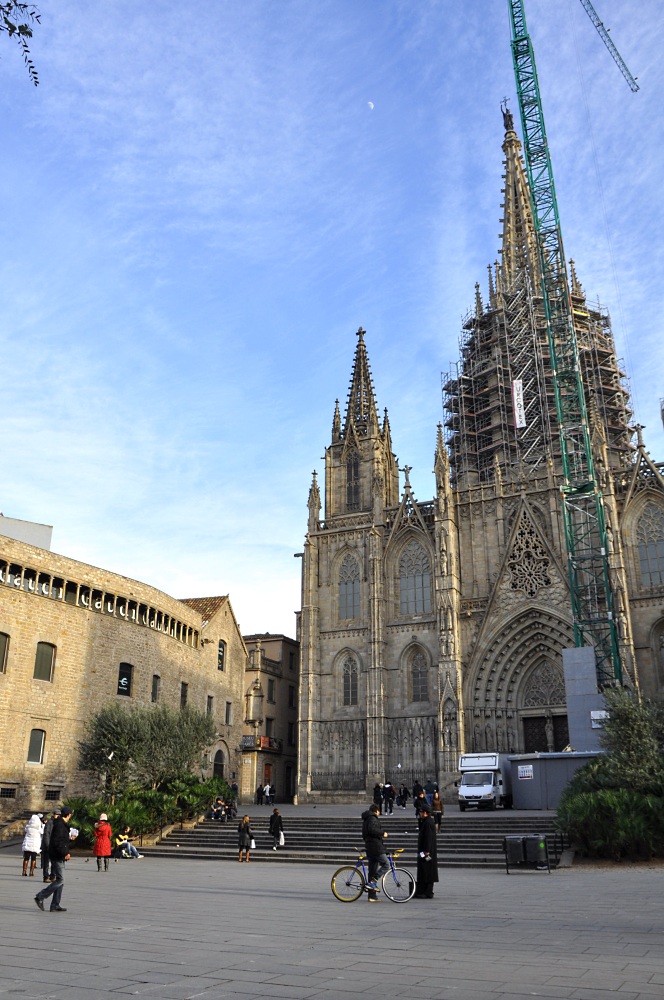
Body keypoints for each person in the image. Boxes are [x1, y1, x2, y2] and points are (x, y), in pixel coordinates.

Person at [34, 805, 73, 912]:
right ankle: (40, 896)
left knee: (60, 880)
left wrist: (70, 839)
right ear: (68, 815)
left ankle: (55, 904)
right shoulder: (60, 825)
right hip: (57, 855)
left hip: (58, 854)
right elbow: (57, 842)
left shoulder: (61, 824)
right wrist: (65, 853)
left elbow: (62, 840)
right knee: (61, 880)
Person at [361, 802, 389, 903]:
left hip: (370, 846)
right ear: (376, 811)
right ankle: (373, 882)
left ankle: (372, 896)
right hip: (375, 846)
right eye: (378, 811)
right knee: (386, 864)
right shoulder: (372, 818)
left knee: (372, 870)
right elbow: (372, 830)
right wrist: (383, 833)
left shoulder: (367, 818)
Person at [414, 803, 439, 899]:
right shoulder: (425, 821)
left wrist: (426, 851)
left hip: (427, 852)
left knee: (428, 869)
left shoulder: (428, 822)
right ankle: (424, 890)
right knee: (425, 869)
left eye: (420, 812)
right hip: (424, 851)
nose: (419, 813)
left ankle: (428, 891)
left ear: (425, 813)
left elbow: (428, 838)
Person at [40, 810, 59, 882]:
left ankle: (53, 875)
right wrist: (48, 845)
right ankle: (46, 876)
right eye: (57, 814)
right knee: (46, 862)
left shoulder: (58, 823)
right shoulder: (49, 823)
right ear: (54, 815)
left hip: (54, 846)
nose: (58, 816)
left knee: (54, 862)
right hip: (48, 846)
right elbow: (46, 835)